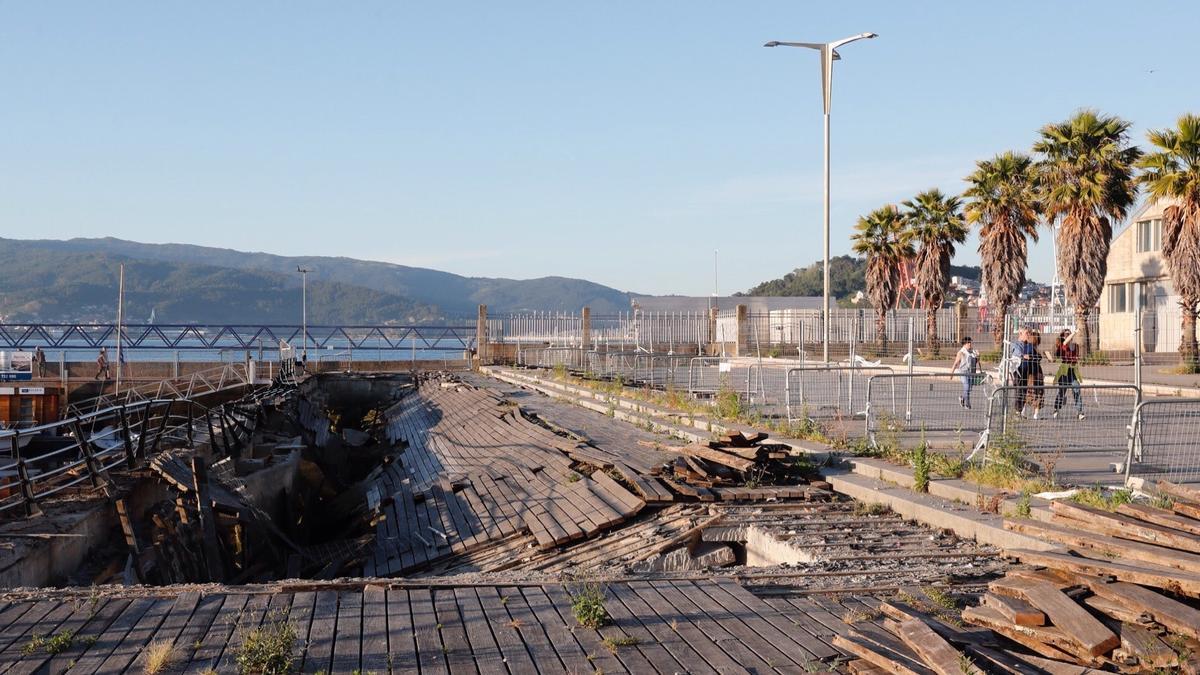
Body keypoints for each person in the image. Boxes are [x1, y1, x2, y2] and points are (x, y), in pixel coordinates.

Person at [1050, 328, 1085, 420]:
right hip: (1064, 370)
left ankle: (1080, 412)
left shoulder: (1075, 346)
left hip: (1072, 370)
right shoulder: (1063, 345)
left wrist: (1076, 359)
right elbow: (1066, 342)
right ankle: (1056, 409)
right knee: (1062, 391)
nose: (1068, 335)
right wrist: (1074, 332)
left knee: (1076, 388)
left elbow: (1076, 357)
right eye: (1066, 334)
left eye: (1068, 333)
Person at [950, 336, 979, 409]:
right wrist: (951, 374)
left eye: (970, 342)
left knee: (969, 389)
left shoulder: (972, 351)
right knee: (966, 387)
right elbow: (956, 363)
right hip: (963, 372)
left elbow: (977, 361)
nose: (970, 344)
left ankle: (962, 398)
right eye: (968, 343)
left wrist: (978, 356)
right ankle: (967, 404)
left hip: (971, 372)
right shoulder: (961, 352)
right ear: (964, 344)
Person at [1022, 329, 1046, 419]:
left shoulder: (1029, 346)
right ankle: (1034, 414)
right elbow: (1037, 357)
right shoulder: (1030, 347)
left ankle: (1025, 412)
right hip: (1033, 372)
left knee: (1029, 391)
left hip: (1031, 372)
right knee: (1035, 392)